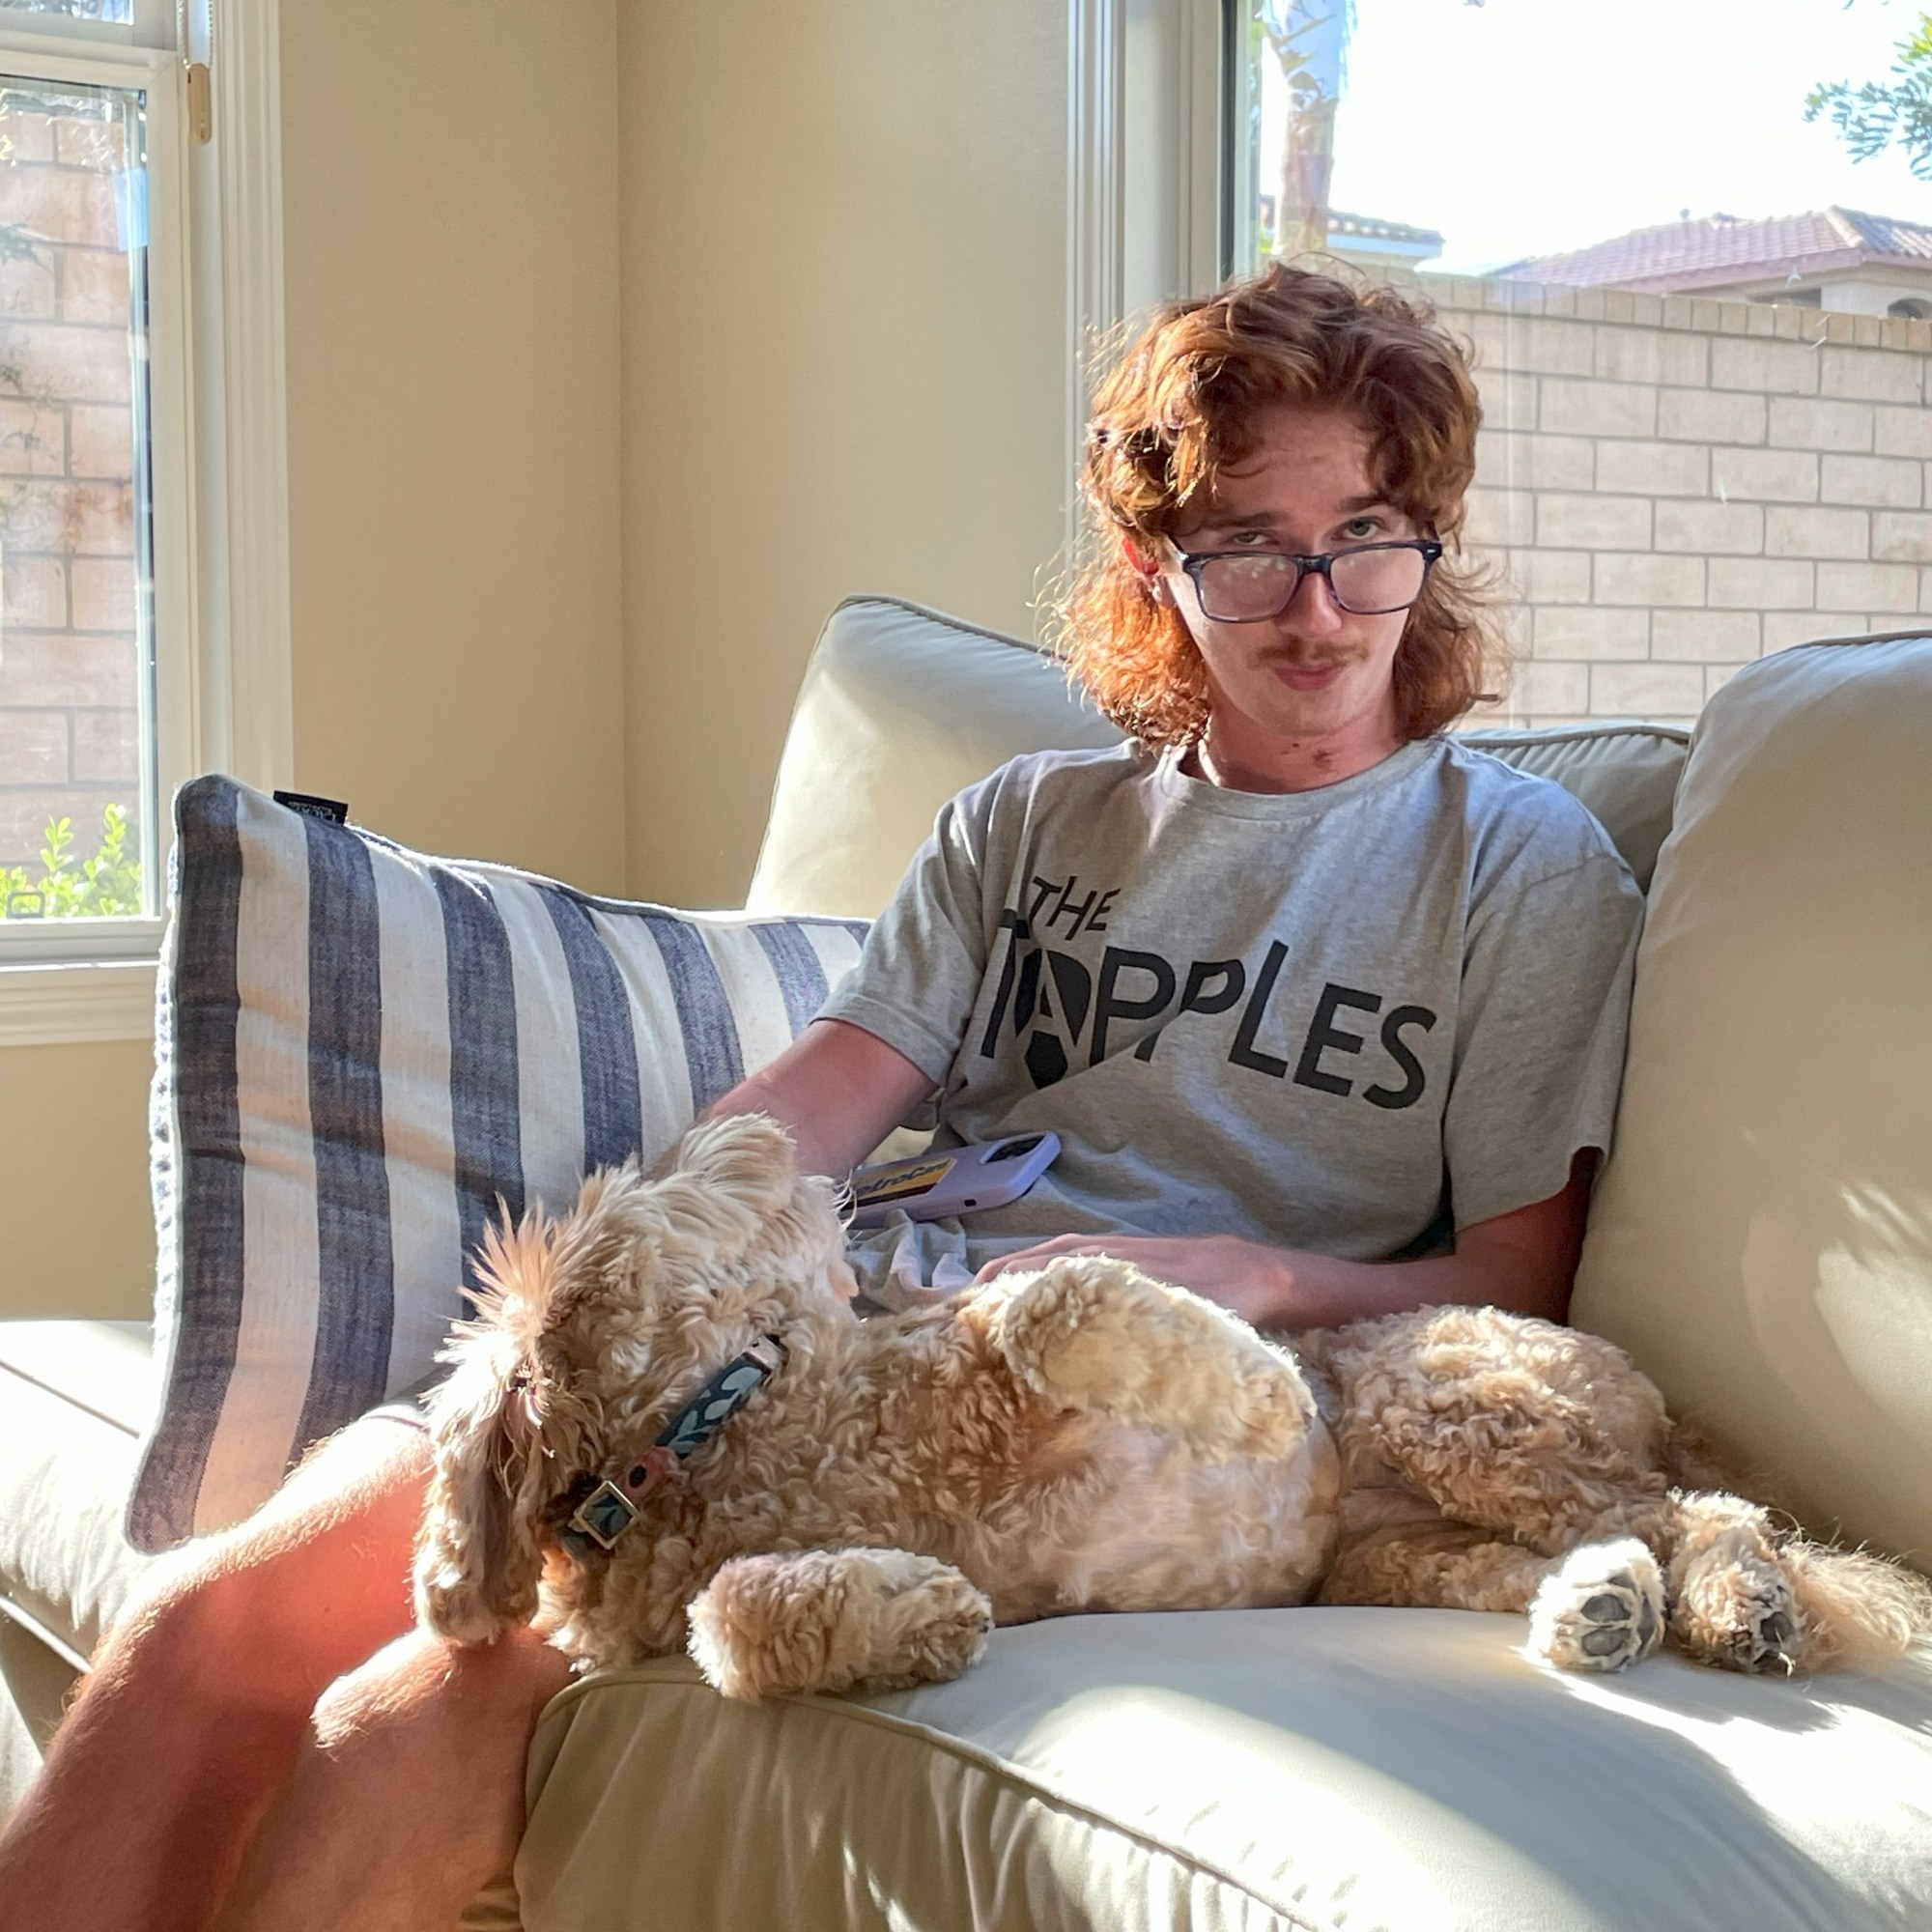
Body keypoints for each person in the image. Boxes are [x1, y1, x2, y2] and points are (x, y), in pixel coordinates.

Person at [0, 264, 1642, 1931]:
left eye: (1364, 536)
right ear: (1161, 564)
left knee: (407, 1716)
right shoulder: (1032, 823)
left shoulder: (1514, 865)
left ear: (1424, 538)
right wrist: (641, 1295)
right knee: (204, 1621)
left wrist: (1264, 1274)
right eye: (1247, 548)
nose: (1314, 607)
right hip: (816, 1340)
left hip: (1072, 1426)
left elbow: (1521, 1284)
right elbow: (807, 1115)